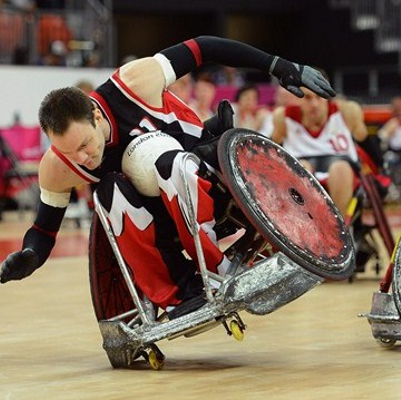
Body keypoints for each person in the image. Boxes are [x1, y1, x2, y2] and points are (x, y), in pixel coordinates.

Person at [0, 35, 335, 320]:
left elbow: (203, 47)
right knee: (108, 193)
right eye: (71, 153)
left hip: (210, 177)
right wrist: (31, 255)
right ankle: (182, 291)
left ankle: (219, 270)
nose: (82, 158)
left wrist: (279, 65)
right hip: (163, 224)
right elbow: (44, 230)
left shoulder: (133, 82)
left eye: (85, 144)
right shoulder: (56, 166)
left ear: (97, 114)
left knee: (167, 161)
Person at [271, 85, 368, 217]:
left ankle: (339, 227)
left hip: (341, 165)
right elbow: (272, 147)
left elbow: (364, 139)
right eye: (308, 98)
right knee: (301, 168)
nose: (314, 104)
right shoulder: (283, 117)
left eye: (319, 97)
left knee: (339, 169)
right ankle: (304, 223)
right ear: (298, 98)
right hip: (303, 165)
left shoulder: (346, 111)